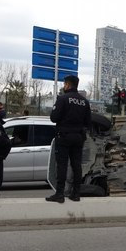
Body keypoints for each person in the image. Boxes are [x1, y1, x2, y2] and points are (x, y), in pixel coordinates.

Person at [46, 75, 91, 203]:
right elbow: (88, 122)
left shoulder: (63, 99)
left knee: (62, 165)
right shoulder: (84, 102)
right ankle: (76, 194)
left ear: (67, 85)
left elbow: (54, 118)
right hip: (78, 137)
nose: (63, 86)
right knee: (77, 165)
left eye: (64, 84)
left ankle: (60, 194)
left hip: (64, 136)